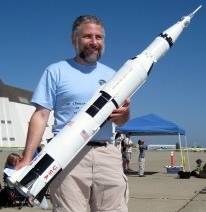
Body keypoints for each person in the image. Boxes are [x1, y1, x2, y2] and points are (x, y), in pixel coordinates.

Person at [16, 15, 130, 212]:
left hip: (107, 153)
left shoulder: (114, 75)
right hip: (67, 155)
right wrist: (28, 158)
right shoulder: (56, 71)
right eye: (88, 36)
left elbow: (122, 119)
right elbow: (40, 116)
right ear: (74, 40)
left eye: (99, 37)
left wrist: (124, 115)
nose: (94, 42)